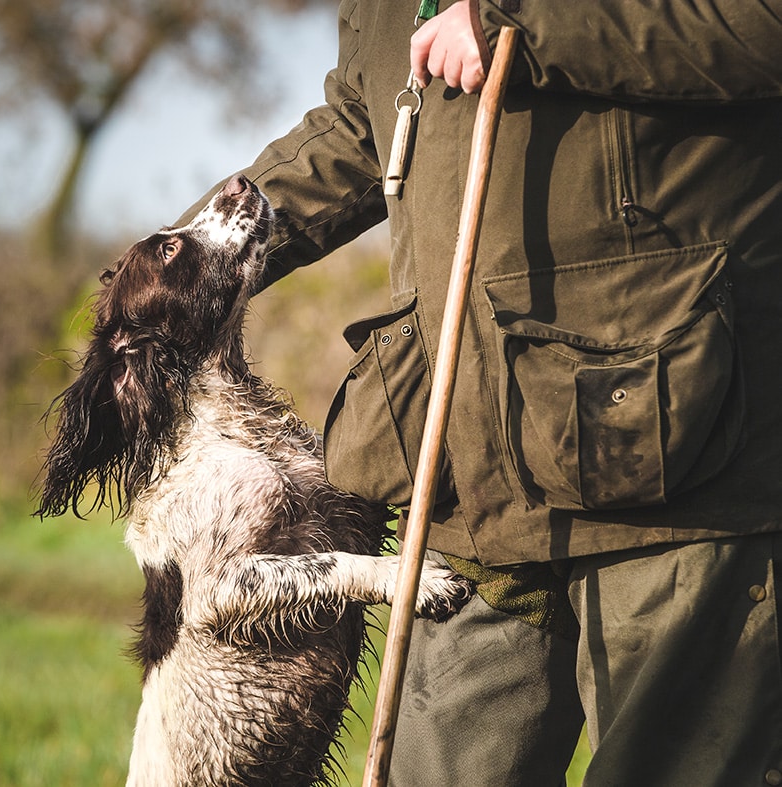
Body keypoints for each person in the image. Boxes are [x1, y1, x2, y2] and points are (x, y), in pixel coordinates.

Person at [178, 1, 782, 784]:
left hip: (677, 458)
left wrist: (524, 23)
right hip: (464, 474)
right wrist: (181, 263)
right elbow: (362, 123)